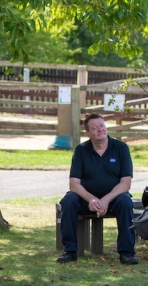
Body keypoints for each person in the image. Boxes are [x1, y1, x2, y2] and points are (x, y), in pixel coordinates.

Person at [56, 113, 137, 264]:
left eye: (102, 126)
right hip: (86, 199)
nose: (100, 130)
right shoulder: (81, 150)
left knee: (125, 201)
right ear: (88, 133)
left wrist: (105, 200)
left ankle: (126, 252)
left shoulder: (121, 148)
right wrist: (91, 199)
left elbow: (125, 183)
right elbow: (74, 184)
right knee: (68, 200)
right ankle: (70, 250)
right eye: (95, 128)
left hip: (113, 199)